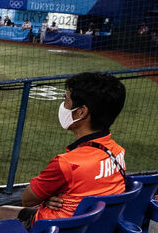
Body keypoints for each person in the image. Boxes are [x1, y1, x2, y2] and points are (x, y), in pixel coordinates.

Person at [19, 72, 127, 224]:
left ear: (81, 112)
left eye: (66, 100)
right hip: (95, 227)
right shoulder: (118, 152)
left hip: (55, 230)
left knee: (1, 212)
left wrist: (45, 199)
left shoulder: (67, 163)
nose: (63, 106)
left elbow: (28, 200)